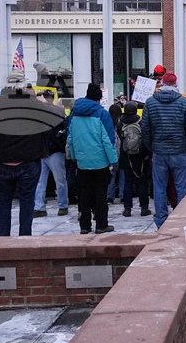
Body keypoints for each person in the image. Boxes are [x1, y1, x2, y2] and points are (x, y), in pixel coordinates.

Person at [0, 73, 58, 237]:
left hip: (2, 161)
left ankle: (3, 239)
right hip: (28, 160)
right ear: (23, 86)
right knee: (27, 201)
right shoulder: (32, 103)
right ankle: (24, 238)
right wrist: (46, 104)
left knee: (3, 202)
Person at [140, 71, 186, 228]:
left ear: (162, 84)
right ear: (176, 84)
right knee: (182, 187)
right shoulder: (184, 103)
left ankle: (161, 220)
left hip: (159, 151)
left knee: (159, 188)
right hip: (180, 150)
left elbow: (145, 128)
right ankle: (182, 219)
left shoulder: (150, 103)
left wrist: (151, 147)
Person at [68, 83, 119, 234]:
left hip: (82, 161)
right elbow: (108, 140)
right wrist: (113, 160)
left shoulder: (74, 113)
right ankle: (101, 224)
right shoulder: (102, 114)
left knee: (84, 194)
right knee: (100, 194)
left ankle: (85, 225)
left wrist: (74, 157)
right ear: (99, 98)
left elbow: (70, 139)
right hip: (100, 161)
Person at [33, 103, 69, 218]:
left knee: (43, 181)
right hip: (52, 152)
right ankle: (60, 205)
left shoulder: (40, 122)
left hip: (47, 152)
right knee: (58, 179)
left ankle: (41, 207)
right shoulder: (58, 121)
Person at [116, 101, 150, 217]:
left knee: (128, 182)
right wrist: (146, 153)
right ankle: (144, 207)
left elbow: (120, 138)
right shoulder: (141, 121)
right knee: (142, 181)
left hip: (126, 156)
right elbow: (145, 138)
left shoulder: (120, 123)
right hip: (140, 156)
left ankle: (127, 208)